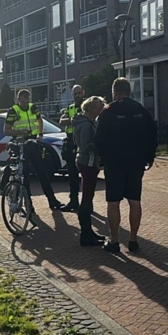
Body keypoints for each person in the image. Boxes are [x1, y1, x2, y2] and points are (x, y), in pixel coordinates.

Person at [94, 77, 157, 253]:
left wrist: (102, 157)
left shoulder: (108, 111)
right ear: (129, 91)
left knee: (113, 202)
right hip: (136, 162)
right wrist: (149, 157)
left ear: (115, 92)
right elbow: (152, 135)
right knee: (135, 200)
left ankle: (114, 241)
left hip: (114, 162)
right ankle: (133, 240)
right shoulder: (141, 110)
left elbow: (99, 138)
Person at [4, 88, 65, 213]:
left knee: (42, 173)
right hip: (20, 145)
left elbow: (40, 119)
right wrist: (20, 132)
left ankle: (52, 200)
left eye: (27, 101)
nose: (25, 104)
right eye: (23, 101)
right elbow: (6, 130)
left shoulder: (33, 107)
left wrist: (40, 134)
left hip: (33, 143)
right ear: (18, 99)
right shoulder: (13, 111)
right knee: (24, 176)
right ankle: (28, 204)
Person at [72, 96, 106, 246]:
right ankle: (85, 234)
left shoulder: (82, 122)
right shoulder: (86, 124)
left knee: (88, 197)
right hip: (88, 161)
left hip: (85, 160)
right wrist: (100, 145)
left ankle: (88, 231)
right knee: (86, 198)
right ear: (93, 109)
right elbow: (86, 145)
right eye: (100, 108)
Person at [57, 84, 85, 213]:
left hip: (83, 142)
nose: (77, 95)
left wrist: (70, 120)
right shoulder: (70, 108)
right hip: (71, 142)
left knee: (86, 174)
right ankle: (73, 201)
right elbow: (62, 121)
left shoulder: (87, 106)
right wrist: (75, 119)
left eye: (79, 93)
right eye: (75, 93)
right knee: (72, 174)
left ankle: (87, 204)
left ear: (83, 93)